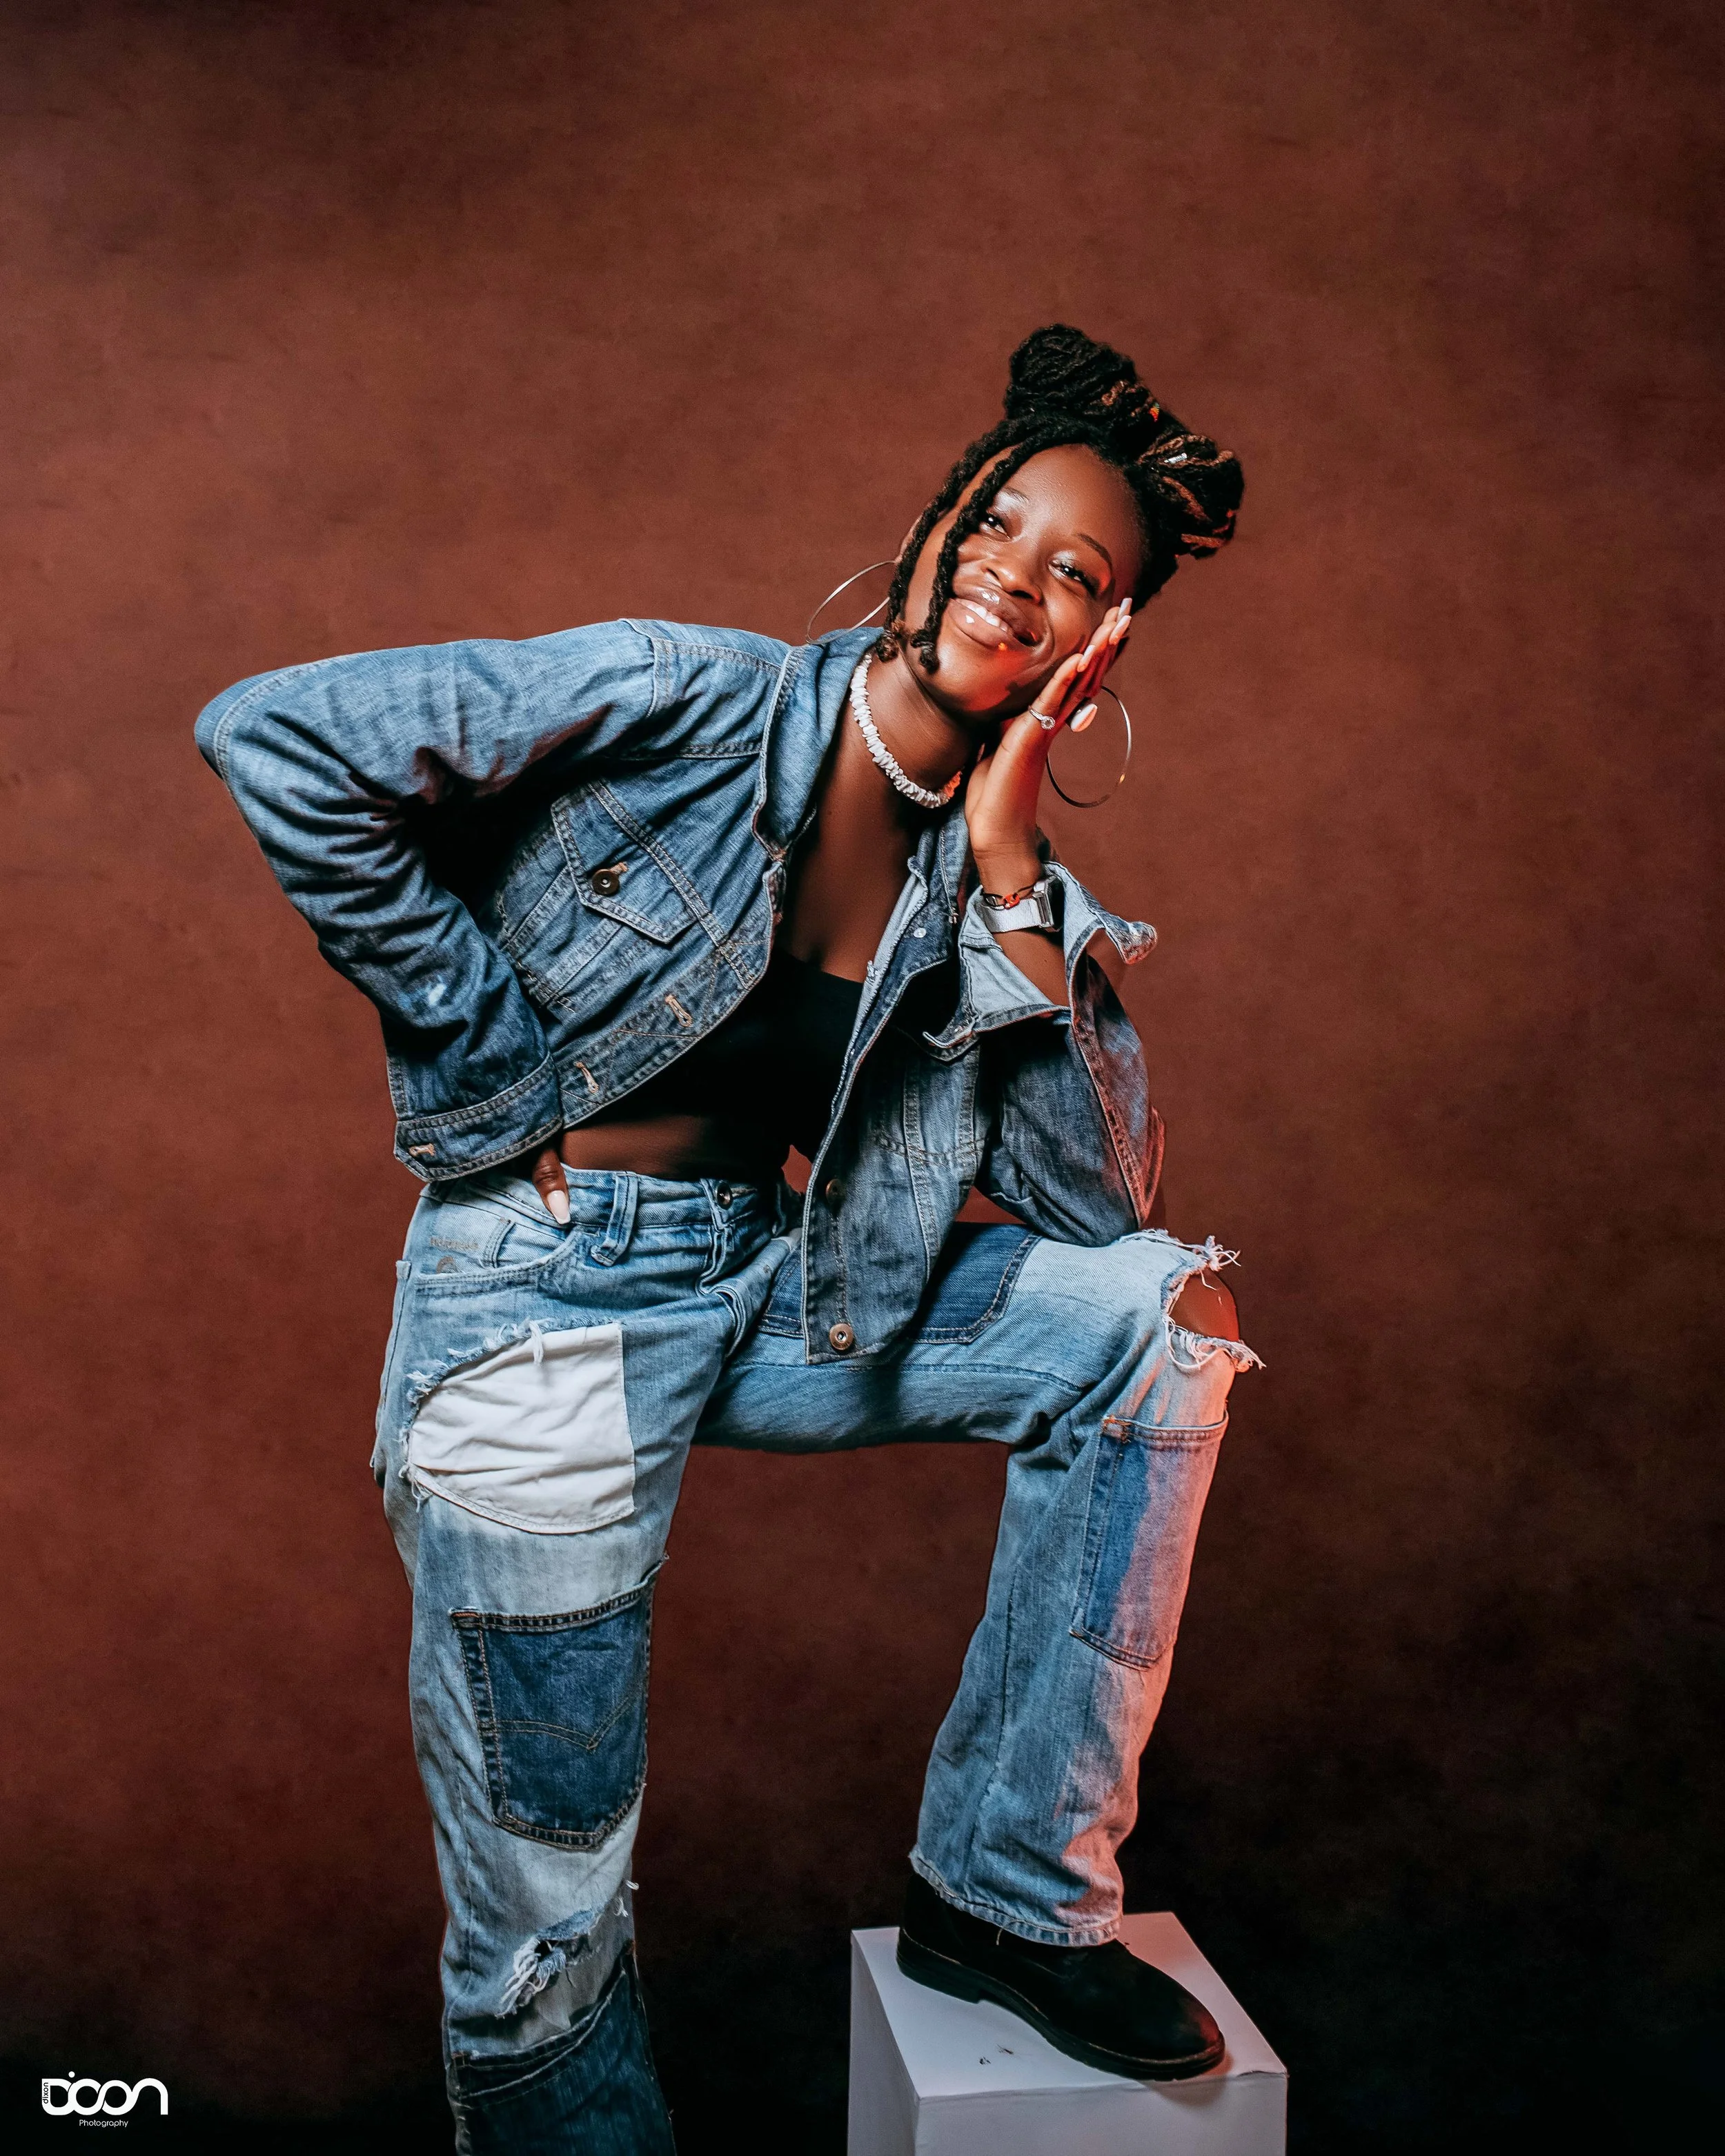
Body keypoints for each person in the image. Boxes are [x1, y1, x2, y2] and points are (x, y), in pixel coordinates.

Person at [195, 324, 1257, 2153]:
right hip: (541, 1303)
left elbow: (1098, 1203)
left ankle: (1010, 1896)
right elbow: (273, 737)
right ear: (932, 529)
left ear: (1099, 647)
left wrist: (1012, 868)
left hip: (773, 1285)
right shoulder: (686, 691)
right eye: (997, 522)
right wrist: (492, 1060)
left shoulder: (980, 871)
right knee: (546, 1925)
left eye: (1076, 571)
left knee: (1157, 1326)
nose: (1016, 571)